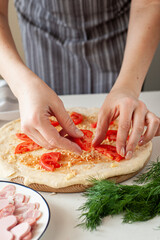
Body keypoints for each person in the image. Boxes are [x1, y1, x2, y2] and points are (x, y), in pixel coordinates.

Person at [0, 0, 159, 160]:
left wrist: (127, 87)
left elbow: (149, 3)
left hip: (121, 41)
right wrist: (24, 86)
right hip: (43, 36)